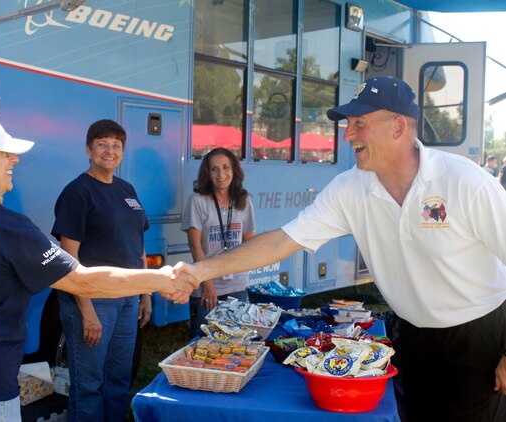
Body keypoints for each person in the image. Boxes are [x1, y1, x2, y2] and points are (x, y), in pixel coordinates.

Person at [174, 76, 506, 422]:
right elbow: (282, 241)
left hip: (477, 336)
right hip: (413, 335)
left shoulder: (464, 181)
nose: (347, 134)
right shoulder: (350, 188)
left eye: (359, 123)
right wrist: (200, 271)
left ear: (398, 127)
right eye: (348, 124)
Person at [0, 116, 194, 422]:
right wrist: (160, 279)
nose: (14, 159)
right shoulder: (6, 228)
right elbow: (84, 282)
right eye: (4, 153)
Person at [51, 119, 150, 422]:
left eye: (116, 145)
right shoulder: (78, 192)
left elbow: (138, 244)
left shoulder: (126, 189)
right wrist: (87, 310)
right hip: (93, 300)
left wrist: (145, 293)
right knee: (89, 384)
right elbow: (70, 258)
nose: (110, 151)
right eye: (102, 144)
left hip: (127, 297)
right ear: (89, 149)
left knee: (119, 380)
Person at [182, 147, 255, 338]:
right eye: (214, 169)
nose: (221, 174)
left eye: (226, 167)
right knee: (205, 342)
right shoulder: (197, 201)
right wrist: (208, 284)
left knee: (238, 341)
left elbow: (249, 242)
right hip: (208, 286)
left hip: (237, 285)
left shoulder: (244, 200)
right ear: (207, 173)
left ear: (234, 170)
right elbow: (195, 245)